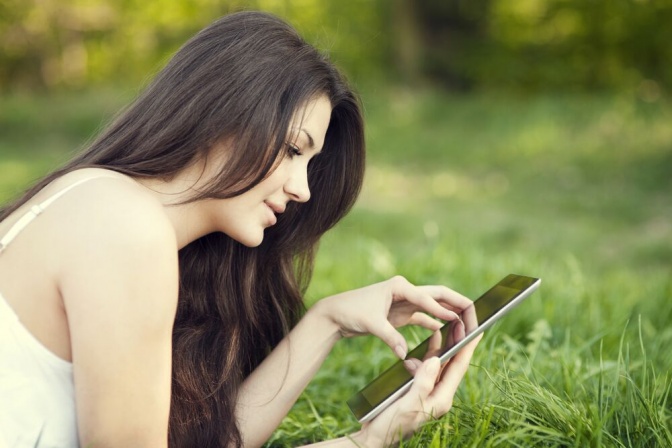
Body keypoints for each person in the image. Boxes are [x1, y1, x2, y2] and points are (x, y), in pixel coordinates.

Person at [0, 10, 481, 448]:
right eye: (295, 150)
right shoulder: (126, 231)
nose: (303, 190)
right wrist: (365, 444)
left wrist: (327, 321)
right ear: (226, 111)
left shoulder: (92, 192)